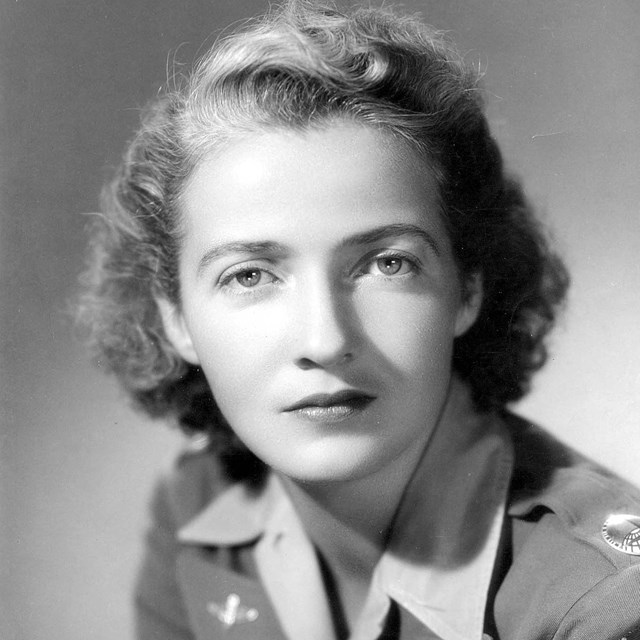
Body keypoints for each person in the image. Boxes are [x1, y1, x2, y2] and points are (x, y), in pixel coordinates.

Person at [77, 1, 640, 638]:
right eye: (250, 275)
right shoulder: (196, 511)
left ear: (468, 288)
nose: (325, 339)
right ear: (175, 318)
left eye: (386, 264)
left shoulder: (603, 605)